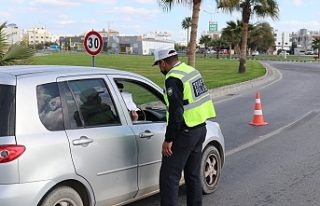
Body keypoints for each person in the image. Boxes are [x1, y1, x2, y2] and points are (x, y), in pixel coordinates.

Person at [152, 45, 216, 206]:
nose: (160, 68)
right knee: (192, 175)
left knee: (169, 177)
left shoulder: (173, 78)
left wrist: (169, 139)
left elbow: (176, 112)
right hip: (200, 128)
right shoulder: (190, 71)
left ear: (163, 63)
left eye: (159, 65)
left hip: (185, 132)